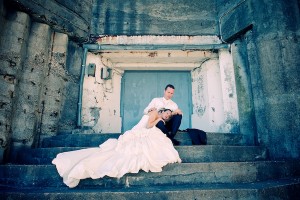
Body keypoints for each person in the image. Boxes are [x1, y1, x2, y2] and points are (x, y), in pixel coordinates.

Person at [52, 108, 181, 188]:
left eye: (169, 116)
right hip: (141, 132)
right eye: (166, 113)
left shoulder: (160, 118)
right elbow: (148, 125)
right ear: (162, 111)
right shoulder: (155, 113)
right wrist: (159, 121)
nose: (167, 116)